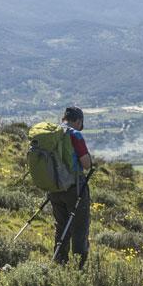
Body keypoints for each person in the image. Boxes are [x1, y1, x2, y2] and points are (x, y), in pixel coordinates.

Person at [51, 106, 92, 267]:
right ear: (78, 121)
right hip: (74, 189)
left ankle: (59, 263)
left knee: (61, 227)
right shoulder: (75, 135)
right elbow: (86, 164)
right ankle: (78, 268)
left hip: (54, 187)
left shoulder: (52, 134)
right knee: (80, 229)